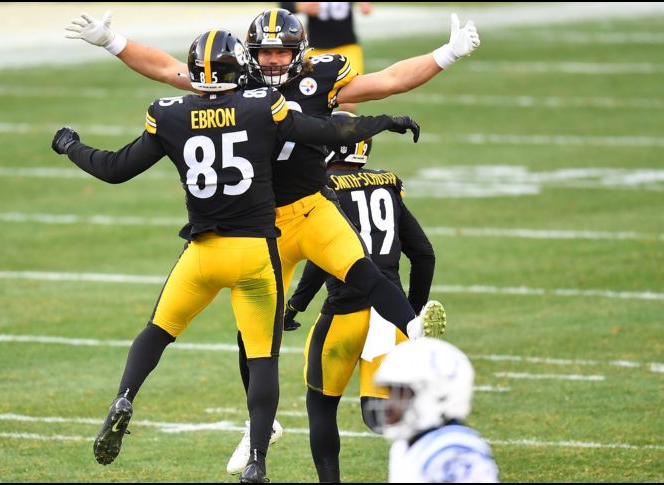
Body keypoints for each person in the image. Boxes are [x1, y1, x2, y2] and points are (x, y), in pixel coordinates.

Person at [65, 7, 478, 474]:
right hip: (263, 224)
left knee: (360, 268)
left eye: (283, 50)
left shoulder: (318, 75)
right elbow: (165, 67)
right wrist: (112, 41)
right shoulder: (232, 76)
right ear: (250, 52)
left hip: (310, 205)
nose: (275, 59)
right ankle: (257, 426)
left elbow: (390, 79)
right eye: (266, 51)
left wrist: (446, 54)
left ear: (299, 50)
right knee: (254, 334)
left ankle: (415, 333)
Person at [280, 111, 441, 482]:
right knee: (380, 416)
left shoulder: (324, 188)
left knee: (321, 406)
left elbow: (325, 259)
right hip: (391, 314)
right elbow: (424, 254)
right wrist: (411, 316)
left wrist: (294, 306)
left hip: (344, 314)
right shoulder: (386, 184)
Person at [372, 338, 500, 483]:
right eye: (391, 393)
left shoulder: (453, 452)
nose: (389, 404)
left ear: (438, 394)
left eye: (402, 393)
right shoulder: (404, 445)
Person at [279, 2, 372, 112]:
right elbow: (285, 6)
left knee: (349, 104)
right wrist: (299, 7)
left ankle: (345, 128)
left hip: (346, 46)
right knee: (308, 98)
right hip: (316, 48)